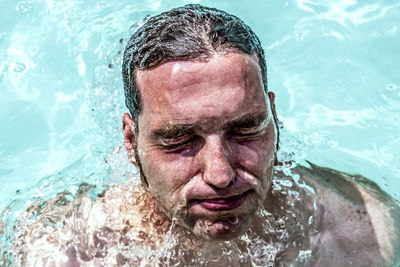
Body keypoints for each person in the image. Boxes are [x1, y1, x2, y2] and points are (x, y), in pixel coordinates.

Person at [5, 4, 400, 266]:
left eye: (246, 130)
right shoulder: (64, 251)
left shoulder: (365, 231)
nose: (221, 175)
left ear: (274, 117)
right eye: (180, 140)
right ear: (130, 141)